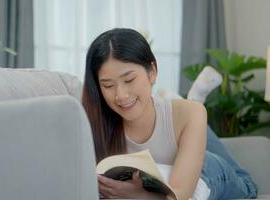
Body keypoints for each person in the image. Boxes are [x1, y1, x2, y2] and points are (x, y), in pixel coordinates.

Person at [81, 28, 257, 200]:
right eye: (108, 86)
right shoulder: (95, 122)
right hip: (178, 147)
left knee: (205, 162)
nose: (121, 95)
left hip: (219, 175)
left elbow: (179, 195)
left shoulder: (190, 114)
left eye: (129, 80)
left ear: (153, 71)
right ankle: (190, 100)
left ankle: (192, 102)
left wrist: (141, 196)